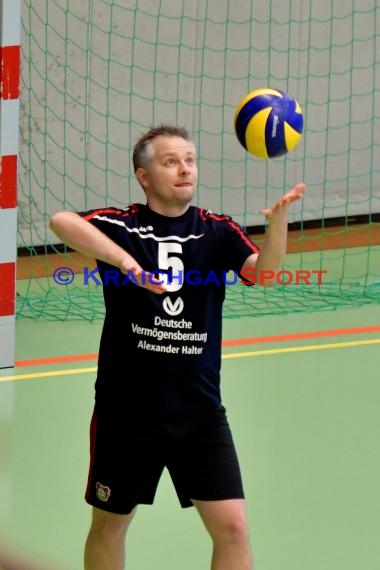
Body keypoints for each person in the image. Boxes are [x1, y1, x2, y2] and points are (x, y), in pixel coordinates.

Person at [50, 124, 305, 570]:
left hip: (200, 411)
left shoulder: (217, 231)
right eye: (170, 161)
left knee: (234, 528)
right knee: (110, 526)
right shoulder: (121, 225)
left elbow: (264, 272)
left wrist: (277, 226)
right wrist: (126, 263)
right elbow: (61, 222)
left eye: (189, 160)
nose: (184, 169)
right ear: (144, 177)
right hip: (126, 411)